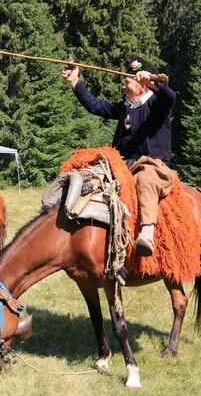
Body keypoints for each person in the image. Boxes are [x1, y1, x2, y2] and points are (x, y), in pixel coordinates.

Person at [62, 57, 176, 256]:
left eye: (129, 78)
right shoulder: (125, 108)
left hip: (152, 165)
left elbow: (170, 97)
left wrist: (153, 82)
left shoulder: (157, 104)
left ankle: (147, 232)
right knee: (88, 173)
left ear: (142, 85)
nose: (124, 81)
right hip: (123, 164)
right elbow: (95, 106)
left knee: (146, 178)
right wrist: (75, 81)